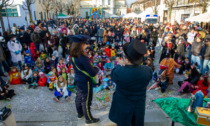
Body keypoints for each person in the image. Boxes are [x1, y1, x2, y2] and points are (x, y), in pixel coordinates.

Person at [109, 39, 153, 126]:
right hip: (139, 106)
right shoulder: (147, 71)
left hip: (123, 107)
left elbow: (113, 74)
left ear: (127, 60)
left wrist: (120, 64)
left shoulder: (119, 72)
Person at [70, 35, 100, 124]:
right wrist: (96, 68)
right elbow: (92, 73)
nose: (86, 45)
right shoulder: (83, 58)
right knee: (86, 100)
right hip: (85, 80)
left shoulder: (73, 55)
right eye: (84, 44)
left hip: (78, 79)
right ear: (80, 45)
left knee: (79, 97)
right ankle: (89, 118)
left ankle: (80, 114)